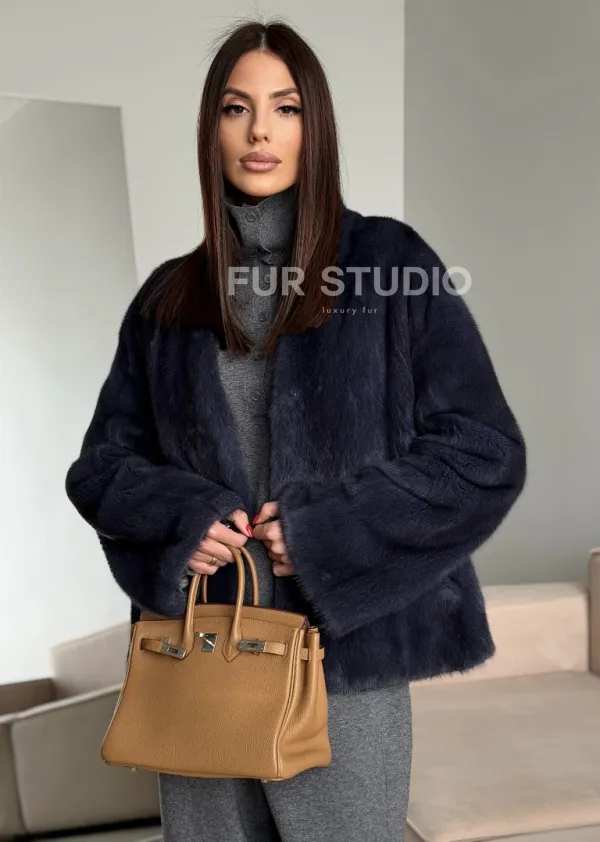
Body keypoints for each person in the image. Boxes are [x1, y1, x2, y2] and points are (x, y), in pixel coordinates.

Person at [65, 18, 527, 842]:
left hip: (346, 666)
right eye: (236, 108)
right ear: (212, 128)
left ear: (316, 126)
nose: (260, 132)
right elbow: (102, 466)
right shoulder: (168, 299)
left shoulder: (390, 264)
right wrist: (181, 519)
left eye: (285, 108)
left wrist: (326, 532)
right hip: (204, 657)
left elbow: (483, 453)